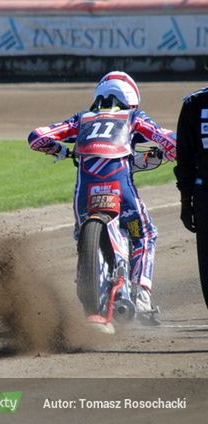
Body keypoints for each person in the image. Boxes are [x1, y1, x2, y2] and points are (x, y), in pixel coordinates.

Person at [27, 71, 176, 325]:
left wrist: (61, 150)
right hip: (122, 192)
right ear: (130, 98)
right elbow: (171, 141)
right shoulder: (133, 117)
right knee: (144, 234)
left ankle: (92, 280)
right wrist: (167, 154)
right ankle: (141, 297)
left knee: (80, 233)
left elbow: (37, 137)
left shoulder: (81, 119)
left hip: (85, 195)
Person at [174, 86, 208, 309]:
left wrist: (186, 201)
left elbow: (184, 158)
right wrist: (186, 201)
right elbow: (184, 157)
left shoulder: (193, 103)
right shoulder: (192, 104)